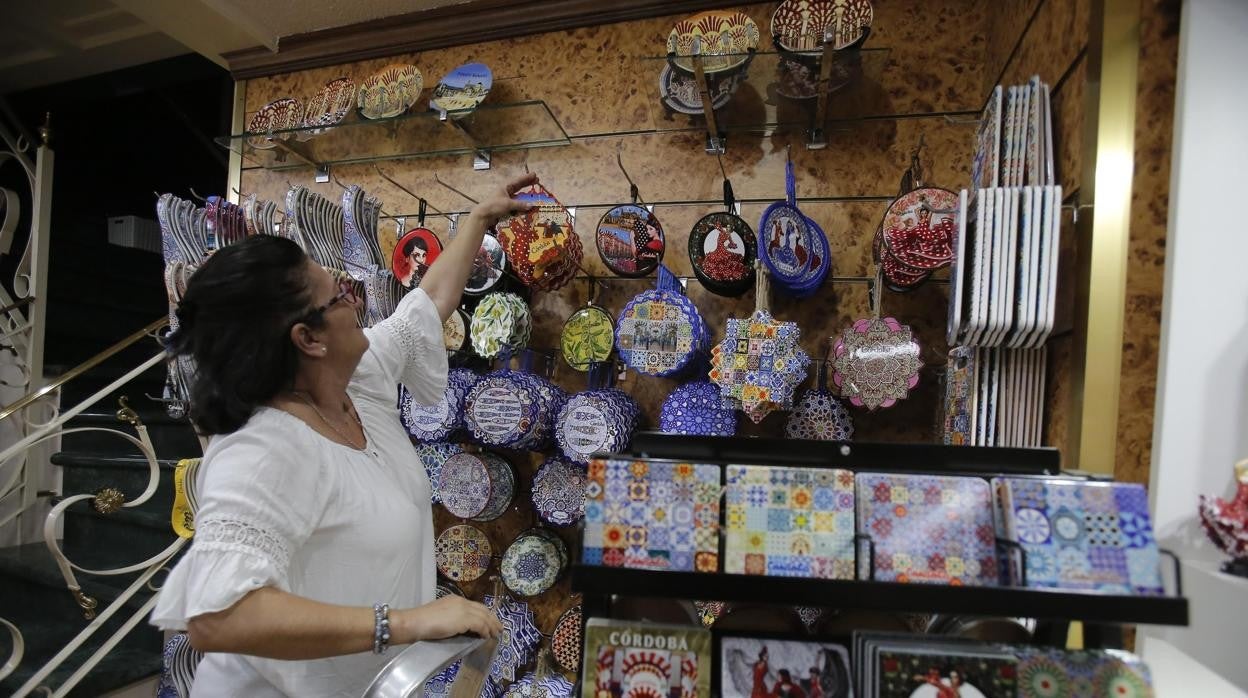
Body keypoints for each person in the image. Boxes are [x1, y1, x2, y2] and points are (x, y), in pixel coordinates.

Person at [149, 172, 540, 697]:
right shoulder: (262, 450)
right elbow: (219, 617)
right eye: (339, 296)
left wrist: (479, 220)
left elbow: (426, 303)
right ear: (308, 339)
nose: (355, 299)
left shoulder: (355, 380)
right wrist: (405, 623)